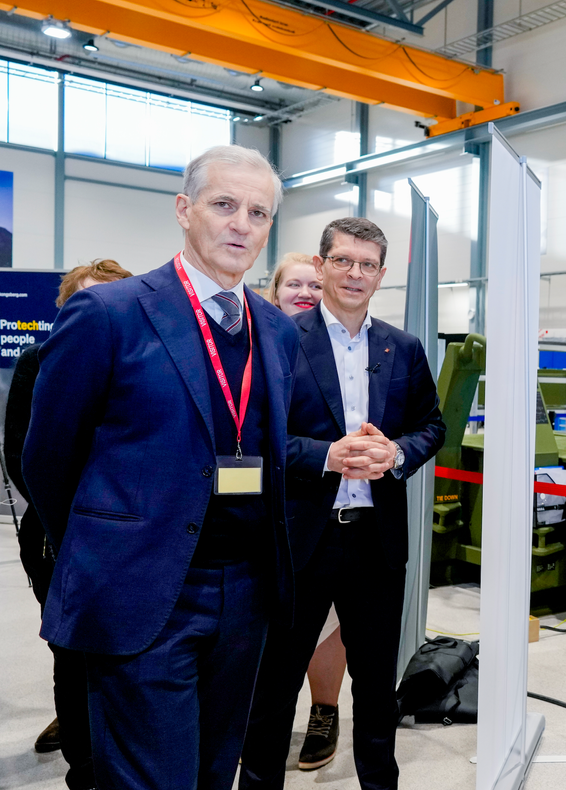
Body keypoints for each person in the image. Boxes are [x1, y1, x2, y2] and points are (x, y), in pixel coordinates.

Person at [22, 144, 301, 790]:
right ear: (184, 209)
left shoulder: (276, 330)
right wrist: (104, 548)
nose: (241, 224)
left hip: (244, 595)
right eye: (224, 204)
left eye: (258, 213)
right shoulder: (109, 314)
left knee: (213, 773)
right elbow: (48, 458)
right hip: (143, 589)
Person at [239, 216, 446, 790]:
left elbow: (432, 426)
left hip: (376, 543)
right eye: (343, 261)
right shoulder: (279, 339)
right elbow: (253, 435)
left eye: (368, 265)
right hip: (301, 537)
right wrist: (325, 456)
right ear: (322, 265)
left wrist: (396, 453)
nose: (356, 273)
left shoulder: (403, 348)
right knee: (275, 686)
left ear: (382, 274)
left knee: (377, 687)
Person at [5, 259, 133, 790]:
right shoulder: (38, 361)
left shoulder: (144, 362)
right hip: (58, 538)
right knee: (72, 651)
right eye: (85, 300)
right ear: (65, 309)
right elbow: (24, 458)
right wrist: (82, 524)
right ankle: (84, 763)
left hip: (134, 537)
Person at [268, 249, 348, 770]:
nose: (305, 293)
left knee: (330, 623)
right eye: (293, 285)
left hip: (330, 508)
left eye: (314, 286)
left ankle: (324, 711)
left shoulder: (347, 348)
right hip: (271, 506)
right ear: (274, 293)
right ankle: (261, 720)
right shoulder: (261, 346)